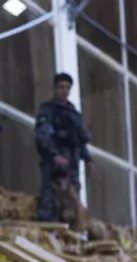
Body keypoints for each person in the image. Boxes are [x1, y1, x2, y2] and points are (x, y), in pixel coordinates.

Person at [35, 73, 93, 222]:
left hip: (71, 162)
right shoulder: (47, 110)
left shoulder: (73, 114)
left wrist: (87, 159)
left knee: (72, 199)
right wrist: (54, 155)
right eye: (61, 87)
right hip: (53, 162)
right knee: (50, 198)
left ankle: (73, 233)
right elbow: (43, 136)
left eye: (67, 88)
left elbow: (79, 138)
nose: (64, 91)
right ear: (55, 88)